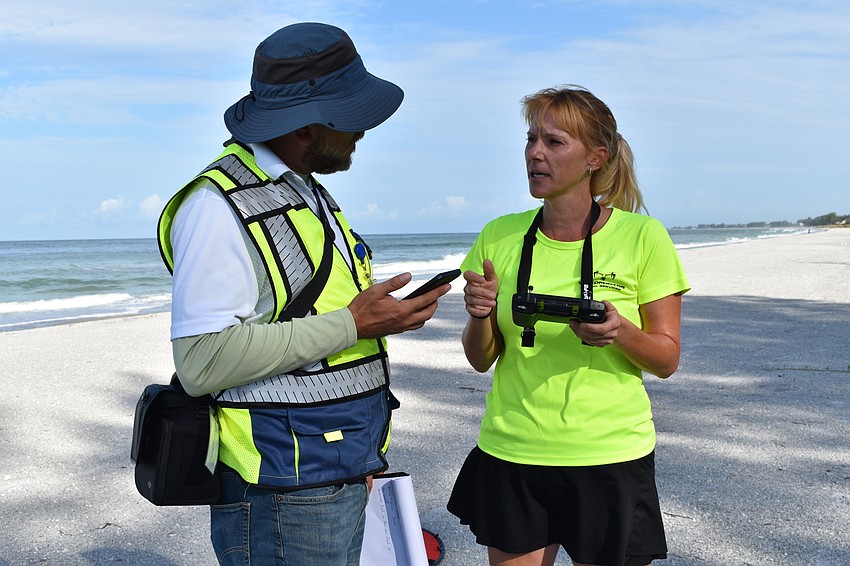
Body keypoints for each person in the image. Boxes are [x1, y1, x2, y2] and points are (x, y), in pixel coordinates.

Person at [156, 23, 450, 566]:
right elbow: (200, 361)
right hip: (279, 488)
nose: (363, 130)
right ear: (308, 125)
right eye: (353, 116)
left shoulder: (305, 191)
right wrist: (354, 324)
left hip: (328, 466)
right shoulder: (218, 208)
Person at [447, 85, 690, 566]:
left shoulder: (643, 236)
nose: (535, 153)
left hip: (608, 455)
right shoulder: (500, 233)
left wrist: (620, 331)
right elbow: (480, 359)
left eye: (554, 142)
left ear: (596, 157)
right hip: (514, 449)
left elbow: (666, 359)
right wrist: (480, 315)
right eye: (531, 139)